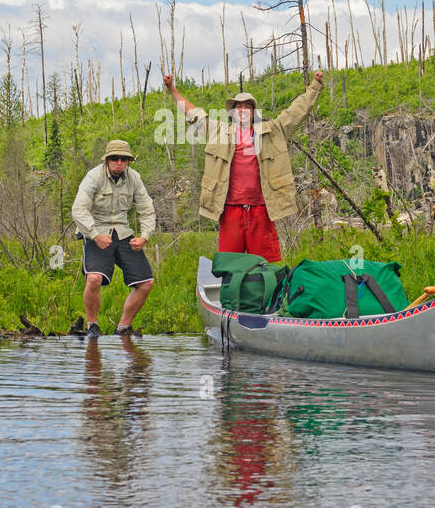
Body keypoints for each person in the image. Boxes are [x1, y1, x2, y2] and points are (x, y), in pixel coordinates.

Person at [163, 71, 323, 262]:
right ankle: (232, 292)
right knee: (230, 266)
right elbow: (193, 113)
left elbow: (296, 111)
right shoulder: (219, 131)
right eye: (238, 107)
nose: (242, 110)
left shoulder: (273, 131)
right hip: (230, 211)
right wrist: (172, 89)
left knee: (266, 267)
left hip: (262, 210)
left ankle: (266, 293)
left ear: (253, 113)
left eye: (247, 107)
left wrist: (315, 86)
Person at [70, 139, 156, 338]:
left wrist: (144, 236)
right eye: (115, 159)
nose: (120, 163)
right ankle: (93, 325)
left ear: (128, 162)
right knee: (94, 278)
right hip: (97, 230)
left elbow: (147, 209)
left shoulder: (134, 178)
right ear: (107, 160)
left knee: (146, 283)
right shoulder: (93, 177)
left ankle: (123, 328)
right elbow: (79, 209)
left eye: (124, 159)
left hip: (123, 232)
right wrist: (94, 235)